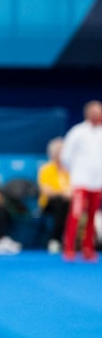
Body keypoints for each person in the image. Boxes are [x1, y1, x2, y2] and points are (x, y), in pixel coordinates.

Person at [61, 100, 102, 262]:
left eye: (99, 112)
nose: (97, 115)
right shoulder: (77, 132)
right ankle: (69, 248)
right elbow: (66, 156)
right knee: (76, 215)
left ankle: (88, 248)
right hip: (80, 181)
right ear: (87, 114)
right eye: (94, 112)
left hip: (97, 182)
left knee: (92, 216)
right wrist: (77, 173)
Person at [36, 137, 71, 253]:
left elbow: (74, 188)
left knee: (68, 204)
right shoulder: (46, 169)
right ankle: (56, 240)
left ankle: (70, 240)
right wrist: (63, 192)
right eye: (59, 151)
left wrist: (69, 193)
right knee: (59, 203)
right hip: (48, 204)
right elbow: (46, 191)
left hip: (68, 202)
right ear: (53, 153)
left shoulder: (69, 170)